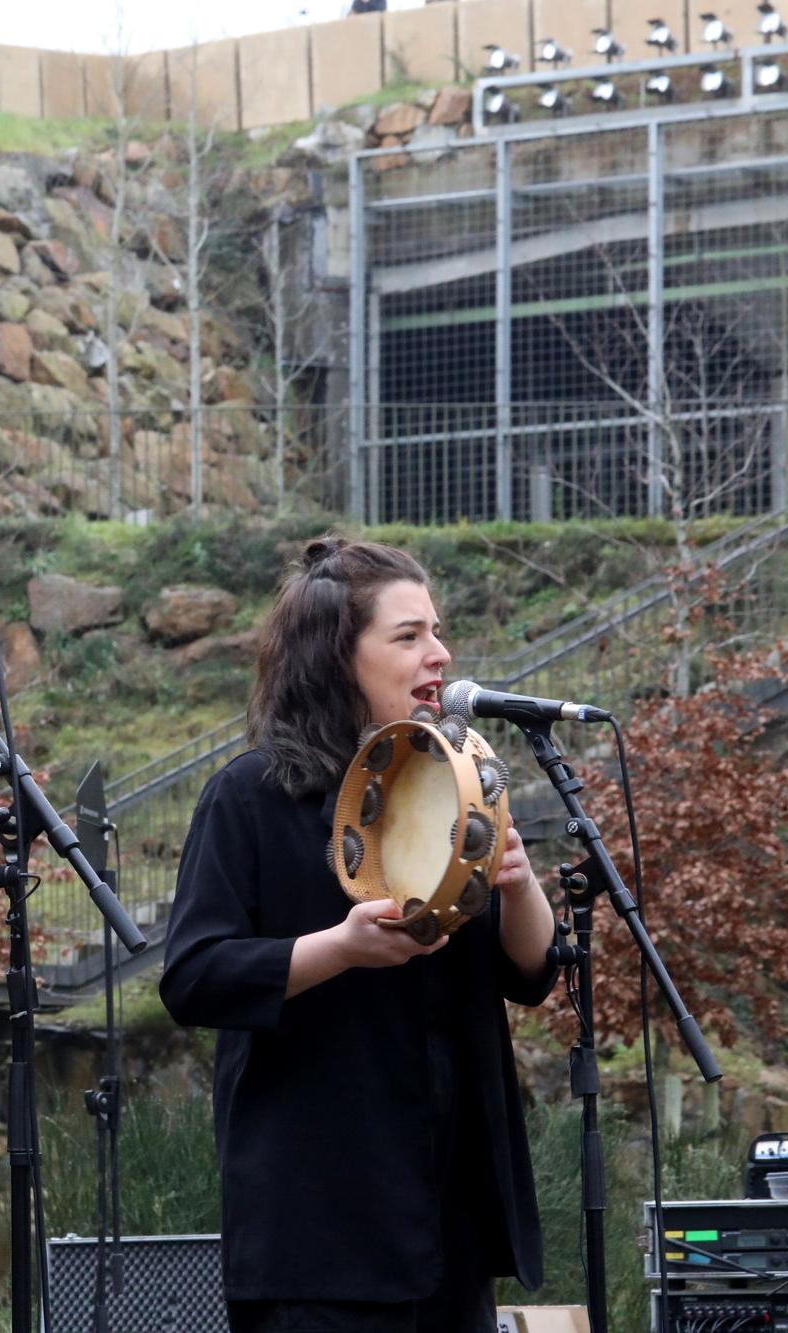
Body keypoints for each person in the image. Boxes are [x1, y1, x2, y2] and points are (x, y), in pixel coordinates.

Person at [160, 536, 559, 1333]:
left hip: (449, 1225)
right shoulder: (249, 796)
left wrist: (518, 880)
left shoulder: (454, 785)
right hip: (317, 1233)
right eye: (408, 636)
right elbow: (194, 975)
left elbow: (533, 971)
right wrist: (340, 948)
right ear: (336, 655)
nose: (438, 654)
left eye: (437, 632)